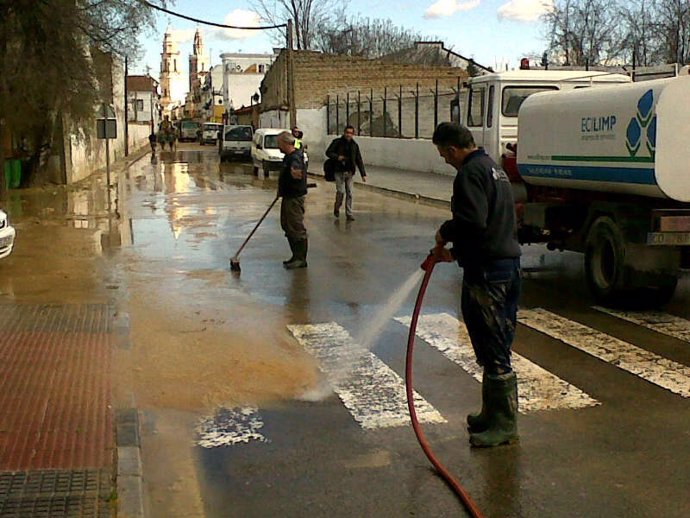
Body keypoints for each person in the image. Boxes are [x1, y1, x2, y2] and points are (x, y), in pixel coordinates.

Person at [431, 122, 521, 448]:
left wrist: (445, 231)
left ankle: (504, 425)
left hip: (487, 274)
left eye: (443, 154)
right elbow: (490, 228)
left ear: (453, 149)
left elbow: (472, 222)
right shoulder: (493, 169)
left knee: (492, 344)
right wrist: (455, 255)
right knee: (492, 343)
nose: (444, 160)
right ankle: (491, 413)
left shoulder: (469, 174)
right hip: (504, 266)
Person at [277, 131, 308, 269]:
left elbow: (297, 175)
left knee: (296, 226)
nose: (278, 145)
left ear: (285, 143)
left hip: (294, 198)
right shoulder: (288, 157)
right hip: (288, 196)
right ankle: (295, 256)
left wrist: (288, 183)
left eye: (279, 143)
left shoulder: (295, 158)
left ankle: (301, 259)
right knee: (287, 225)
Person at [325, 125, 366, 221]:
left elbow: (359, 159)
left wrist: (363, 174)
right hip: (339, 171)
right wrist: (337, 157)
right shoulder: (337, 142)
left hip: (350, 172)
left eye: (351, 133)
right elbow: (328, 152)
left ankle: (349, 213)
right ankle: (337, 207)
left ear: (353, 134)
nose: (348, 135)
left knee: (350, 193)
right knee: (341, 191)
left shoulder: (354, 145)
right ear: (344, 133)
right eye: (347, 132)